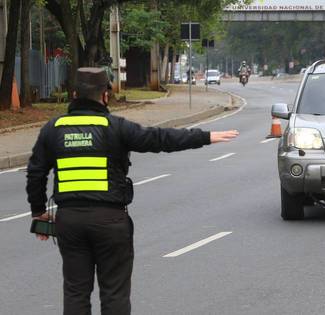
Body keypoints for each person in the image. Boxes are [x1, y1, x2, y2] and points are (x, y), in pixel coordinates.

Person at [26, 67, 238, 315]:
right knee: (114, 292)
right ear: (105, 96)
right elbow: (159, 139)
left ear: (73, 94)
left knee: (76, 291)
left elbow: (36, 172)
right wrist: (205, 136)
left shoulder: (53, 129)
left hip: (69, 222)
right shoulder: (116, 127)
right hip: (110, 222)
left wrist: (39, 212)